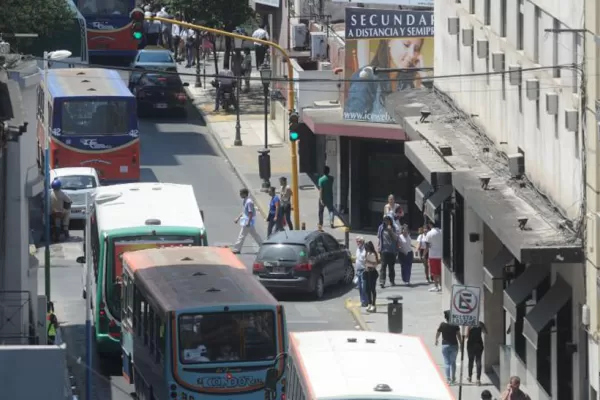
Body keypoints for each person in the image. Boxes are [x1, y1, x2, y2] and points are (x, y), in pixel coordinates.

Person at [231, 188, 263, 254]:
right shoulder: (245, 201)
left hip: (247, 222)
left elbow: (250, 213)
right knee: (255, 235)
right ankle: (263, 247)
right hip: (247, 222)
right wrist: (238, 218)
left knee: (242, 235)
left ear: (244, 194)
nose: (240, 195)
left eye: (241, 194)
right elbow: (244, 212)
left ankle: (237, 249)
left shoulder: (249, 202)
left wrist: (248, 222)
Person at [435, 310, 461, 384]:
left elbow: (438, 332)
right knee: (453, 362)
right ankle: (453, 378)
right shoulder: (455, 325)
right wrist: (461, 343)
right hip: (454, 345)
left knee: (447, 363)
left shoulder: (442, 324)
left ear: (445, 317)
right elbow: (458, 335)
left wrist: (436, 340)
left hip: (445, 345)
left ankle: (448, 379)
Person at [377, 215, 399, 288]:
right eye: (385, 220)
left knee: (391, 267)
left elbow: (396, 238)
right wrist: (378, 246)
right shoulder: (381, 227)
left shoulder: (393, 228)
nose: (386, 222)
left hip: (392, 250)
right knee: (383, 266)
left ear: (390, 221)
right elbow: (379, 238)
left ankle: (392, 281)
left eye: (388, 220)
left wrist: (391, 231)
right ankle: (382, 281)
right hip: (383, 250)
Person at [466, 321, 487, 385]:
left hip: (470, 345)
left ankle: (469, 377)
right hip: (479, 344)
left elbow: (467, 336)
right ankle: (478, 379)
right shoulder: (481, 324)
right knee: (478, 361)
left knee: (470, 361)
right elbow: (485, 332)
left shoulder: (469, 323)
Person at [424, 222, 442, 292]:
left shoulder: (429, 233)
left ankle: (436, 286)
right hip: (441, 255)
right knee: (440, 272)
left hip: (433, 255)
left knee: (434, 272)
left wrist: (423, 254)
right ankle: (441, 285)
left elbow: (427, 246)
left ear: (430, 224)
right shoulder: (441, 232)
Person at [364, 241, 379, 312]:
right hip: (367, 272)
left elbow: (375, 263)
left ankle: (373, 304)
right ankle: (369, 303)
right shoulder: (367, 253)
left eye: (367, 248)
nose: (366, 249)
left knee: (372, 289)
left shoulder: (373, 254)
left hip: (372, 272)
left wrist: (368, 261)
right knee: (367, 289)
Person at [354, 236, 368, 307]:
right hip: (358, 271)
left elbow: (367, 260)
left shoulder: (365, 250)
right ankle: (362, 301)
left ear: (363, 242)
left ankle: (366, 301)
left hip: (364, 271)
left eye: (359, 241)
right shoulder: (357, 249)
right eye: (357, 241)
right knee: (359, 287)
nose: (358, 243)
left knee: (363, 287)